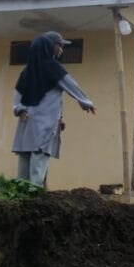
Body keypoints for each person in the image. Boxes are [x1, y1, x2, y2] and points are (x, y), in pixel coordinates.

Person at [12, 31, 95, 186]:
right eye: (60, 46)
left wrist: (18, 109)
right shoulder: (52, 67)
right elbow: (70, 84)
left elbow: (18, 93)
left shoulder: (27, 70)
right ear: (50, 47)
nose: (61, 50)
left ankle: (21, 192)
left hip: (26, 119)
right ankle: (34, 191)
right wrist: (85, 102)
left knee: (25, 155)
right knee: (39, 154)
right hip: (44, 121)